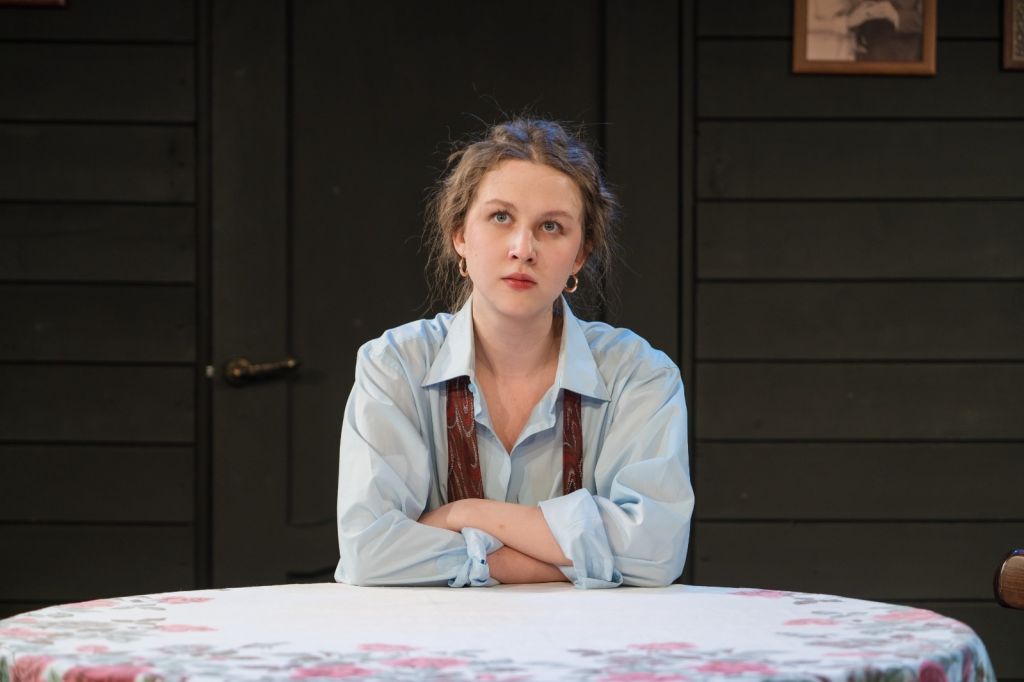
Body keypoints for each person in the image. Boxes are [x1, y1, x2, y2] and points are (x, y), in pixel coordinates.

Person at [334, 119, 693, 589]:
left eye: (551, 227)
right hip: (434, 635)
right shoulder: (394, 365)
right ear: (460, 236)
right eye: (501, 217)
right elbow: (369, 553)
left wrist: (466, 513)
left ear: (580, 255)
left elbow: (655, 551)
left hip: (591, 637)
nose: (523, 249)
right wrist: (578, 561)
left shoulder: (639, 375)